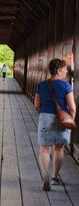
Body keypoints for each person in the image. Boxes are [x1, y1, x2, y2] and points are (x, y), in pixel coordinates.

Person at [34, 58, 76, 191]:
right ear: (58, 71)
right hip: (61, 119)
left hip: (45, 118)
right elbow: (72, 108)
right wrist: (69, 122)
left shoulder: (41, 85)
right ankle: (54, 178)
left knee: (44, 149)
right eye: (65, 69)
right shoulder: (66, 86)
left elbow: (36, 105)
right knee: (58, 149)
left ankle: (45, 175)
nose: (66, 71)